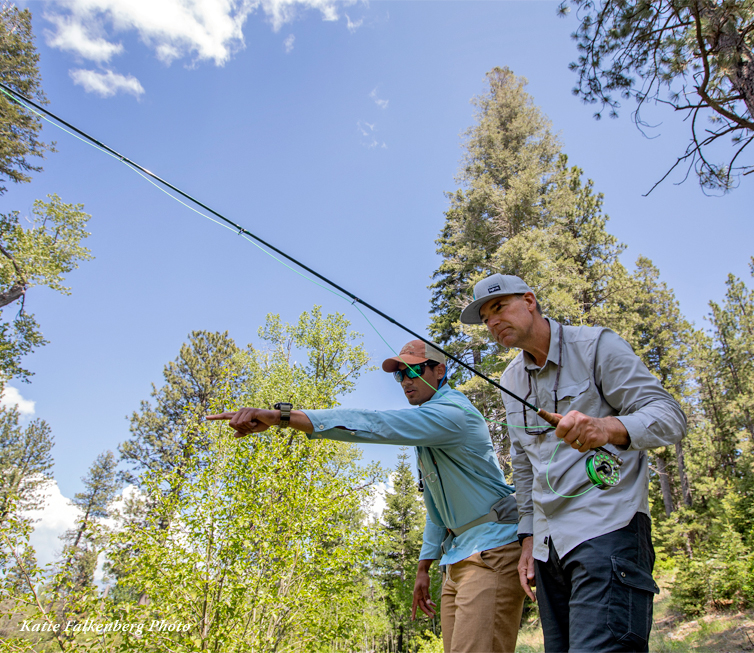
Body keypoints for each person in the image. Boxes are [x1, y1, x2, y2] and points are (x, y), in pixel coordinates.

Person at [207, 339, 527, 653]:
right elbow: (438, 506)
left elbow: (377, 424)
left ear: (439, 370)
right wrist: (423, 567)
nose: (405, 381)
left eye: (413, 371)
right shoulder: (430, 424)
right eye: (399, 374)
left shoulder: (453, 414)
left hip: (492, 553)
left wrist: (284, 417)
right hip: (457, 558)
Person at [460, 273, 687, 653]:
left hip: (608, 530)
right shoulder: (511, 380)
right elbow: (524, 463)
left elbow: (670, 417)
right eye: (485, 318)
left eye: (499, 307)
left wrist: (606, 428)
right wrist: (528, 538)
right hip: (548, 551)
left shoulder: (597, 346)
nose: (493, 322)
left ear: (529, 301)